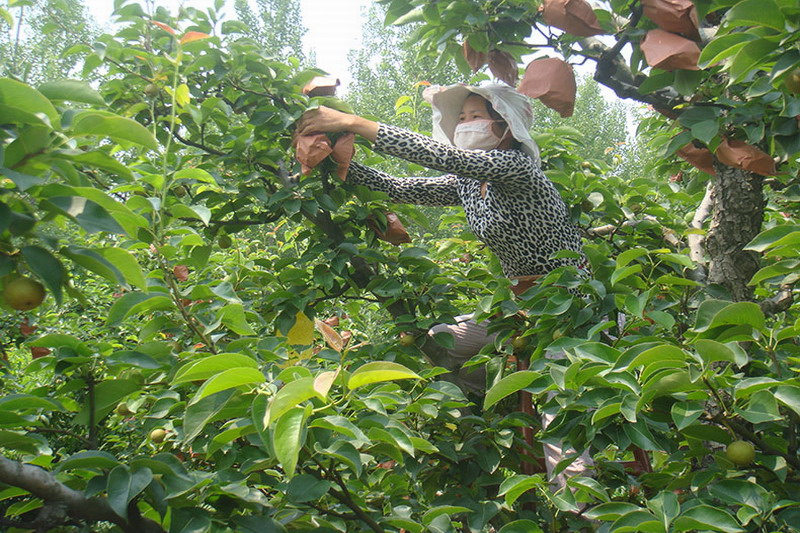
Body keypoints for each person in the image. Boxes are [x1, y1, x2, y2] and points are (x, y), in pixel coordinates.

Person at [295, 83, 591, 489]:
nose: (465, 124)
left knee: (559, 412)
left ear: (505, 125)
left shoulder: (518, 169)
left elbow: (444, 156)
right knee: (437, 341)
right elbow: (402, 188)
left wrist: (353, 122)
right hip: (519, 309)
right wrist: (343, 166)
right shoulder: (470, 184)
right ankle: (501, 407)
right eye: (461, 118)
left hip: (568, 307)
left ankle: (581, 507)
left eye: (476, 117)